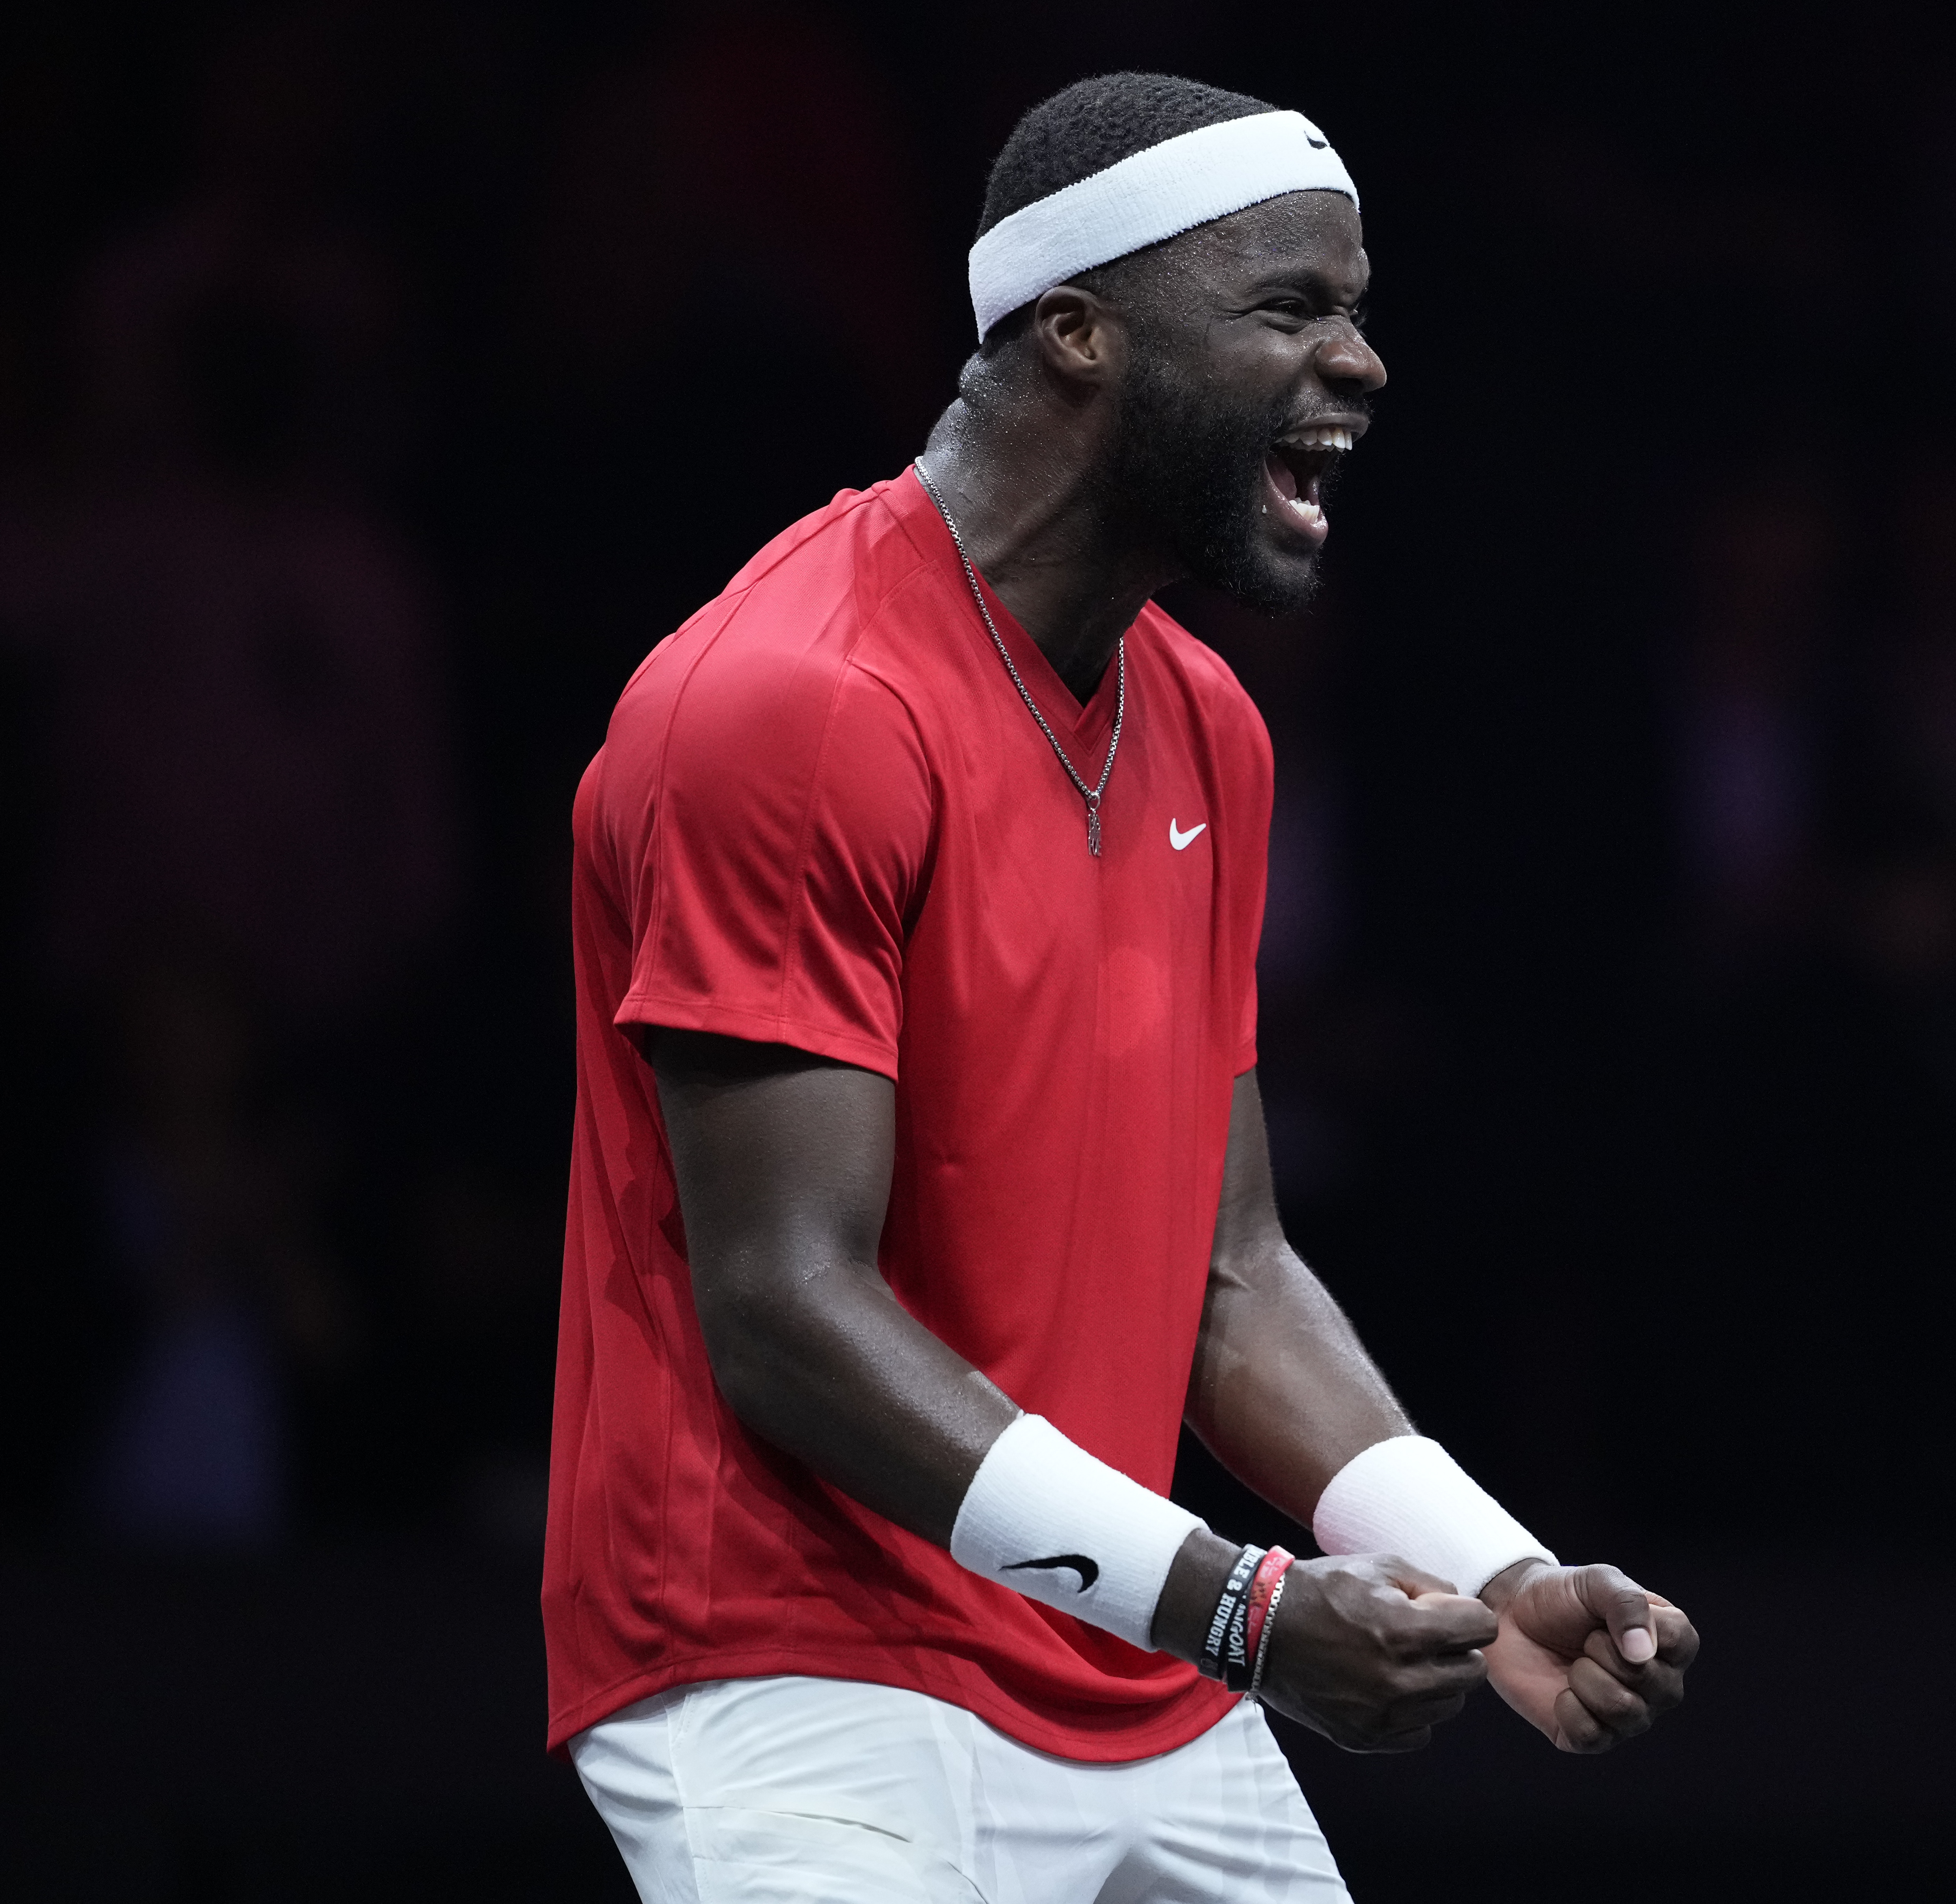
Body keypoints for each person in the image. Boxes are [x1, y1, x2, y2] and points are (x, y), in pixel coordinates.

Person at [545, 73, 1698, 1904]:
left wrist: (1493, 1574)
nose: (1360, 360)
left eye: (1357, 309)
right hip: (793, 1668)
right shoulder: (793, 705)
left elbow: (1225, 1273)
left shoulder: (1207, 724)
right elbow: (783, 1306)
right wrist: (1235, 1602)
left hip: (1131, 1668)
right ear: (1077, 332)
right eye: (1290, 307)